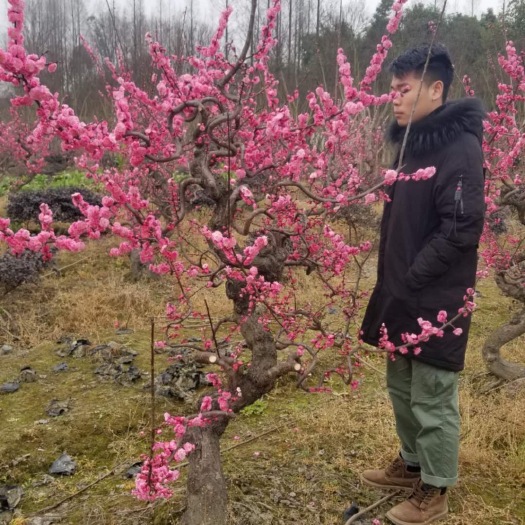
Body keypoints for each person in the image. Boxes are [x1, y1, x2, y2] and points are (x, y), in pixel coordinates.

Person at [359, 43, 485, 525]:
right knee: (402, 387)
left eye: (403, 88)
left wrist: (412, 276)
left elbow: (461, 226)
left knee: (432, 395)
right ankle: (411, 465)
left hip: (435, 296)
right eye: (390, 88)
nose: (393, 97)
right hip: (402, 292)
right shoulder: (413, 143)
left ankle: (436, 490)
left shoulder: (459, 146)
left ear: (436, 89)